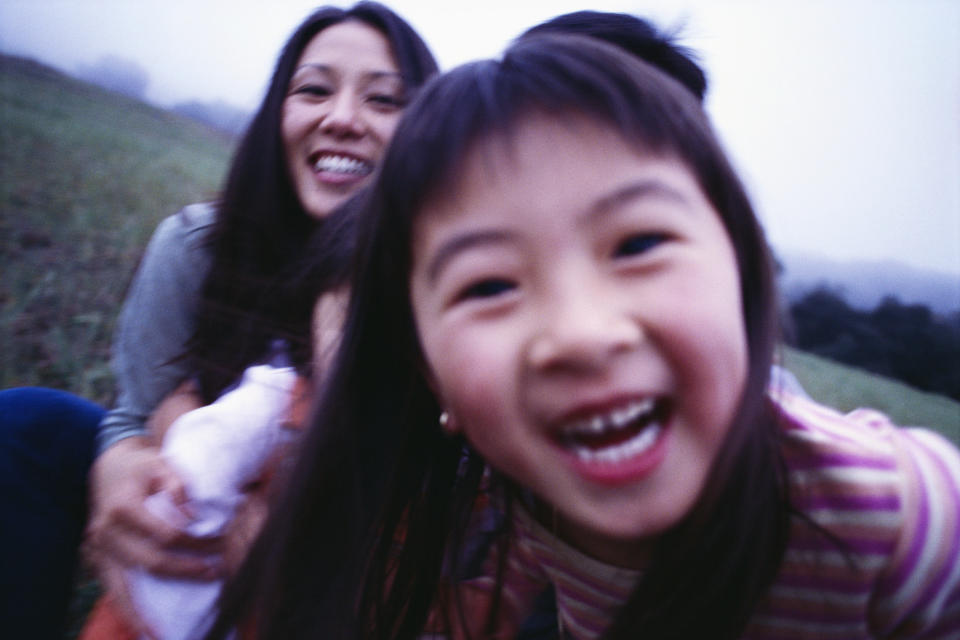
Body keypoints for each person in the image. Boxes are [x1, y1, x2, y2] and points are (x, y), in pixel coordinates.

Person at [206, 34, 960, 639]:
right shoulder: (529, 498)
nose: (579, 335)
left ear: (742, 267)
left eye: (638, 245)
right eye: (489, 285)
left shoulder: (909, 516)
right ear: (433, 378)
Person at [0, 3, 437, 638]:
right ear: (274, 118)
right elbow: (135, 411)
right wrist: (121, 464)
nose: (342, 118)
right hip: (198, 501)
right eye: (313, 89)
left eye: (384, 100)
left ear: (429, 130)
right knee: (32, 425)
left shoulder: (447, 282)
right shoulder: (196, 246)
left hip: (351, 553)